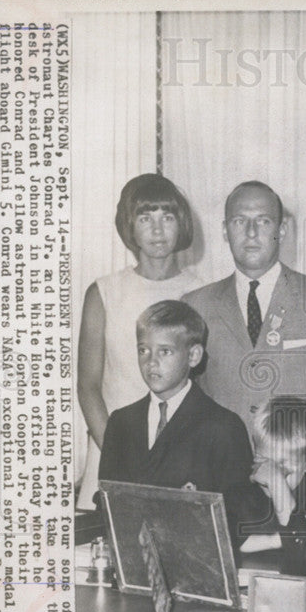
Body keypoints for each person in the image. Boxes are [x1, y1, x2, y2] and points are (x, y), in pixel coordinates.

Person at [183, 181, 306, 536]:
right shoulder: (196, 305)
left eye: (263, 221)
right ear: (224, 230)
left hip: (302, 496)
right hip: (225, 496)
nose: (251, 232)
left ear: (282, 229)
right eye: (239, 221)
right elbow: (189, 413)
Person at [77, 174, 204, 509]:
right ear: (129, 226)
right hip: (113, 457)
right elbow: (88, 386)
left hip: (180, 464)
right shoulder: (104, 292)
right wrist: (120, 456)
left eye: (168, 217)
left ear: (182, 224)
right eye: (146, 218)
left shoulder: (202, 293)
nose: (158, 230)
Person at [98, 300, 252, 494]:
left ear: (193, 356)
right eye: (143, 350)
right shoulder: (120, 422)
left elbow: (238, 512)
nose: (151, 362)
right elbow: (107, 502)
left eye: (165, 351)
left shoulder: (222, 426)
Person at [230, 396, 306, 576]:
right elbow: (228, 544)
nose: (269, 476)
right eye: (263, 462)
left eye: (283, 469)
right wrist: (276, 539)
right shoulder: (242, 495)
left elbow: (305, 556)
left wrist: (279, 487)